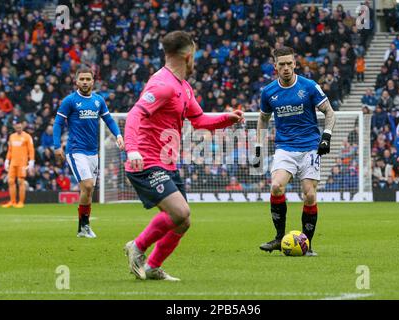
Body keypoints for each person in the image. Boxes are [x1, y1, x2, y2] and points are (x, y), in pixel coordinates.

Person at [123, 30, 244, 281]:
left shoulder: (183, 87)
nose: (195, 60)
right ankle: (137, 247)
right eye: (195, 55)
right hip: (146, 161)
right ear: (188, 55)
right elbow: (135, 114)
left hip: (167, 163)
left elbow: (198, 119)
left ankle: (153, 267)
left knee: (182, 222)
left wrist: (226, 118)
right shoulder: (162, 84)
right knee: (179, 212)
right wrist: (132, 148)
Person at [252, 46, 336, 256]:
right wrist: (259, 146)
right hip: (285, 148)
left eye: (290, 63)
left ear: (295, 64)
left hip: (309, 148)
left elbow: (329, 112)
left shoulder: (309, 86)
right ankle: (280, 239)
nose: (286, 68)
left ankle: (306, 245)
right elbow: (263, 119)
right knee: (276, 186)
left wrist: (326, 136)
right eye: (282, 64)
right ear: (275, 67)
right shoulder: (269, 92)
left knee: (309, 195)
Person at [53, 66, 124, 238]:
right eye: (82, 79)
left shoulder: (98, 100)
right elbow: (57, 124)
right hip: (76, 150)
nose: (85, 82)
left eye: (88, 79)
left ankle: (83, 227)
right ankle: (84, 227)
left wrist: (118, 135)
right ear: (76, 81)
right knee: (88, 185)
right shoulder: (70, 101)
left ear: (93, 81)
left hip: (93, 152)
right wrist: (57, 146)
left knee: (89, 191)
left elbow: (108, 119)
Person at [2, 121, 35, 208]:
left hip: (22, 163)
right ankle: (12, 201)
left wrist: (31, 161)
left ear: (22, 127)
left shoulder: (27, 136)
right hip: (13, 162)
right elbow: (10, 150)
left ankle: (21, 202)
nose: (18, 129)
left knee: (20, 182)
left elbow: (31, 149)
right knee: (10, 181)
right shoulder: (12, 136)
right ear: (14, 128)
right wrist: (7, 160)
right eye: (17, 128)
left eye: (20, 127)